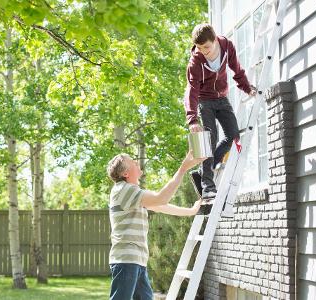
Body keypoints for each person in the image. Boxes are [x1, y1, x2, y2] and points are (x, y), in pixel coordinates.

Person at [106, 150, 205, 300]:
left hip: (136, 260)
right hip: (126, 259)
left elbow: (161, 205)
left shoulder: (133, 194)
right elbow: (161, 199)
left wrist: (191, 211)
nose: (136, 162)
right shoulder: (124, 190)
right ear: (126, 173)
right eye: (132, 161)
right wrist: (182, 169)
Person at [184, 23, 257, 202]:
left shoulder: (226, 46)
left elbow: (236, 70)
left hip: (222, 98)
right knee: (210, 139)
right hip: (204, 101)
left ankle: (202, 172)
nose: (203, 51)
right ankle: (208, 186)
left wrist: (247, 88)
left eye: (206, 47)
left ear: (215, 40)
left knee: (233, 137)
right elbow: (191, 90)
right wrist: (192, 119)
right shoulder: (196, 61)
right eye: (200, 48)